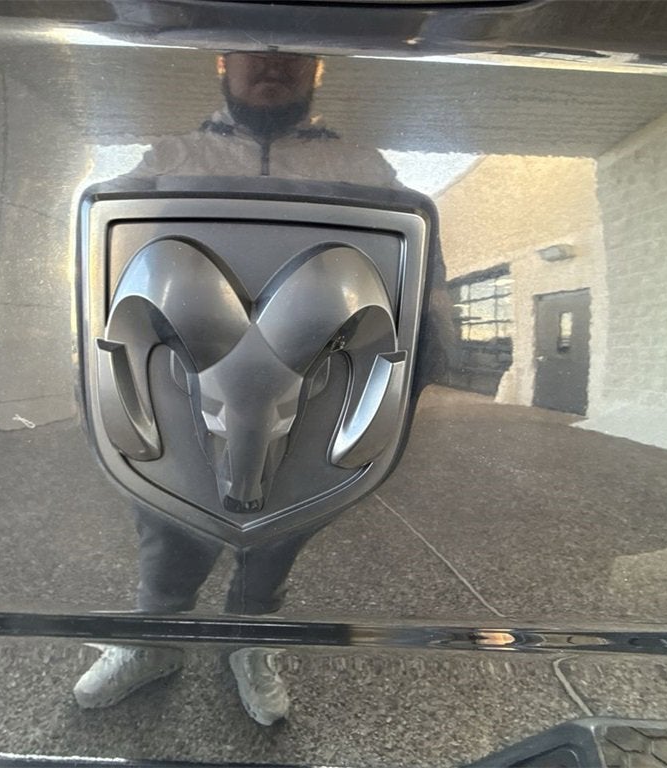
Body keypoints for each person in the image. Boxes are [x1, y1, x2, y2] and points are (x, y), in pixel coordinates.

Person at [74, 50, 435, 727]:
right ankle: (155, 640)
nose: (273, 64)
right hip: (183, 386)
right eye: (254, 51)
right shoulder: (170, 156)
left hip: (316, 388)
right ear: (223, 60)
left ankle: (250, 641)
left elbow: (414, 283)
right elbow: (105, 263)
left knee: (281, 529)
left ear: (318, 67)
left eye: (291, 52)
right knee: (168, 523)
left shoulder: (362, 165)